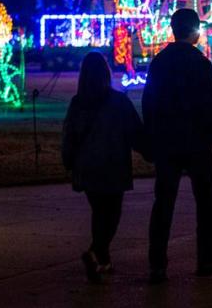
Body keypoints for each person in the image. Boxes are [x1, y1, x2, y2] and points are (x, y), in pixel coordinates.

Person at [142, 8, 212, 284]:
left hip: (167, 144)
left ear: (172, 29)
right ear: (195, 30)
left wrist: (152, 138)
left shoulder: (159, 62)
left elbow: (149, 103)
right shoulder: (201, 63)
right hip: (197, 142)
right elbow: (210, 107)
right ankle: (207, 259)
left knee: (163, 204)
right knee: (206, 203)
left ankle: (157, 264)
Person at [61, 51, 145, 283]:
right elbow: (135, 132)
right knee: (112, 214)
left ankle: (102, 259)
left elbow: (69, 134)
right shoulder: (118, 101)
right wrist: (150, 151)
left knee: (99, 212)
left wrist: (68, 160)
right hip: (112, 164)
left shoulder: (78, 103)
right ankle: (95, 251)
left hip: (87, 166)